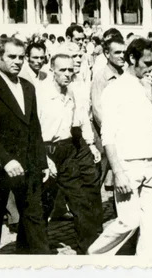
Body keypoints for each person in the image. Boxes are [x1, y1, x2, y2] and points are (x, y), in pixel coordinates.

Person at [88, 38, 152, 256]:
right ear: (132, 58)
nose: (151, 69)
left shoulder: (149, 86)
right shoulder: (115, 89)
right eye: (147, 63)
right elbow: (107, 135)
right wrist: (118, 172)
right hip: (128, 165)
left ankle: (149, 266)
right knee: (129, 220)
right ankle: (95, 255)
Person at [36, 54, 102, 254]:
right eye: (62, 70)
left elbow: (80, 118)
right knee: (42, 204)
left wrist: (90, 144)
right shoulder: (41, 94)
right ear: (52, 69)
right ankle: (36, 250)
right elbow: (34, 129)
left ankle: (88, 248)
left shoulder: (71, 92)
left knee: (79, 199)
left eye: (70, 70)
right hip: (46, 150)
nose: (67, 74)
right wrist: (44, 159)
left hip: (67, 150)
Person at [0, 37, 51, 254]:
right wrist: (5, 160)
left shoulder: (27, 87)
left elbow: (34, 127)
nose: (17, 61)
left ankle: (36, 262)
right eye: (11, 57)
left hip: (27, 165)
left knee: (34, 217)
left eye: (20, 57)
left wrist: (42, 162)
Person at [90, 36, 126, 185]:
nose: (122, 56)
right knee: (99, 174)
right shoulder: (101, 78)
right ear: (106, 53)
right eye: (117, 52)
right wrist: (114, 133)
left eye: (124, 52)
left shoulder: (125, 75)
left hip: (122, 133)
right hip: (105, 135)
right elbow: (98, 111)